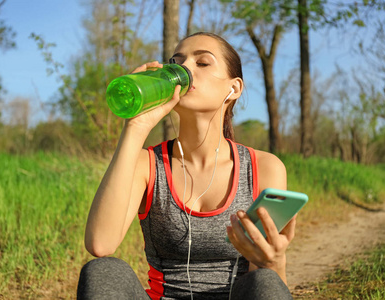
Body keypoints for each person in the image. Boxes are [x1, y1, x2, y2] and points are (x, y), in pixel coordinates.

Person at [77, 32, 295, 300]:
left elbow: (264, 284)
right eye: (177, 62)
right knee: (103, 271)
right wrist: (135, 126)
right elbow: (100, 244)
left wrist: (275, 262)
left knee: (265, 280)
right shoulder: (147, 164)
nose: (185, 69)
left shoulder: (263, 167)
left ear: (234, 88)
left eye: (202, 63)